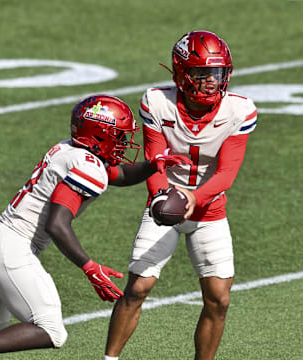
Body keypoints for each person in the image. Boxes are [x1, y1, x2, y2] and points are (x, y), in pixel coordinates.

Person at [0, 94, 191, 359]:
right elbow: (57, 224)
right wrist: (89, 266)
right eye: (118, 136)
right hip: (12, 245)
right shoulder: (88, 165)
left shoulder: (70, 150)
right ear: (98, 135)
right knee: (51, 330)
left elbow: (118, 175)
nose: (123, 144)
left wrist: (153, 166)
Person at [104, 31, 258, 360]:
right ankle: (109, 359)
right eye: (202, 74)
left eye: (217, 74)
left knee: (219, 298)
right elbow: (154, 161)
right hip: (165, 204)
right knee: (138, 288)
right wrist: (162, 199)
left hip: (209, 211)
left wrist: (194, 198)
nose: (211, 82)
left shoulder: (239, 111)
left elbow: (227, 172)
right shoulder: (157, 102)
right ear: (181, 74)